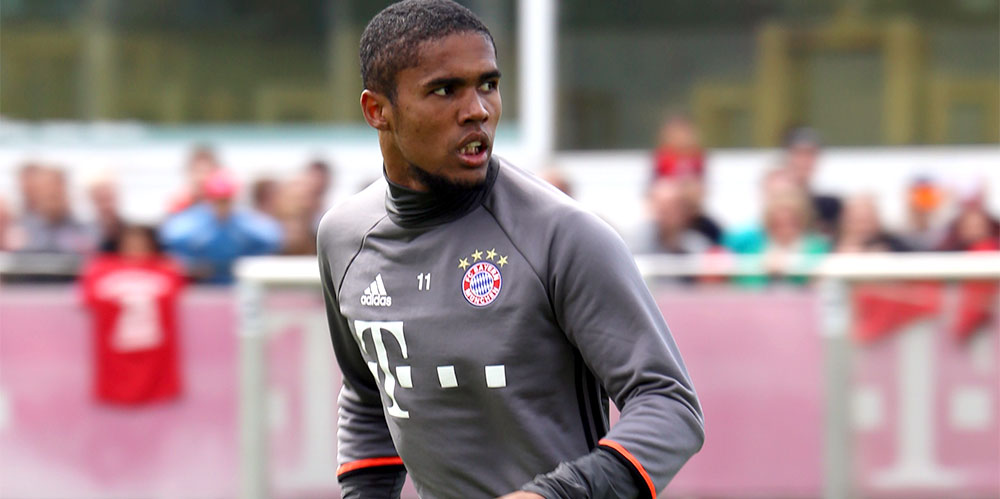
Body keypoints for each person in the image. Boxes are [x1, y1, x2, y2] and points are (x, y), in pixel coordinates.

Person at [317, 2, 704, 498]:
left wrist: (552, 494)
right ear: (378, 111)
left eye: (488, 84)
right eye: (445, 90)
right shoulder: (343, 239)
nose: (477, 109)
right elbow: (366, 394)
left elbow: (670, 406)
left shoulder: (564, 235)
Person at [79, 225, 185, 404]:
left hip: (155, 356)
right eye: (130, 243)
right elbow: (87, 297)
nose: (135, 248)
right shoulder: (101, 269)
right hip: (115, 356)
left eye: (141, 243)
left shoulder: (166, 268)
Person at [160, 169, 283, 284]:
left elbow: (270, 240)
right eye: (217, 200)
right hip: (201, 287)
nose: (222, 206)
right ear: (208, 199)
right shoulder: (188, 225)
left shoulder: (250, 224)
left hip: (237, 285)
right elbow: (173, 249)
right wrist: (193, 266)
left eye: (226, 200)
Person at [724, 169, 829, 287]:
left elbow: (818, 281)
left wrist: (788, 268)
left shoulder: (817, 247)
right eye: (779, 224)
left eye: (791, 222)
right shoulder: (752, 247)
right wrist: (764, 269)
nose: (785, 228)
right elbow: (742, 283)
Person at [11, 166, 94, 254]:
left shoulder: (84, 228)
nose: (52, 191)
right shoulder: (21, 229)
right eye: (46, 188)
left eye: (57, 186)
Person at [781, 127, 841, 239]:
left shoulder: (830, 206)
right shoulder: (776, 201)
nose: (804, 161)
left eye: (810, 155)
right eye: (799, 154)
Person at [632, 177, 714, 255]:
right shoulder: (638, 242)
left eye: (671, 208)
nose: (663, 213)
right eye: (660, 207)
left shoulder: (696, 245)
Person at [834, 194, 909, 253]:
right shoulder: (832, 245)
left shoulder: (894, 245)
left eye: (867, 220)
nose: (863, 227)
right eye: (858, 220)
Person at [166, 145, 221, 215]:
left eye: (207, 172)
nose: (202, 177)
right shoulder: (180, 200)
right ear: (189, 172)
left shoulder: (222, 202)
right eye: (198, 172)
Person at [86, 172, 125, 253]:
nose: (106, 205)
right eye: (101, 199)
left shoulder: (130, 231)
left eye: (108, 198)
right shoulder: (86, 234)